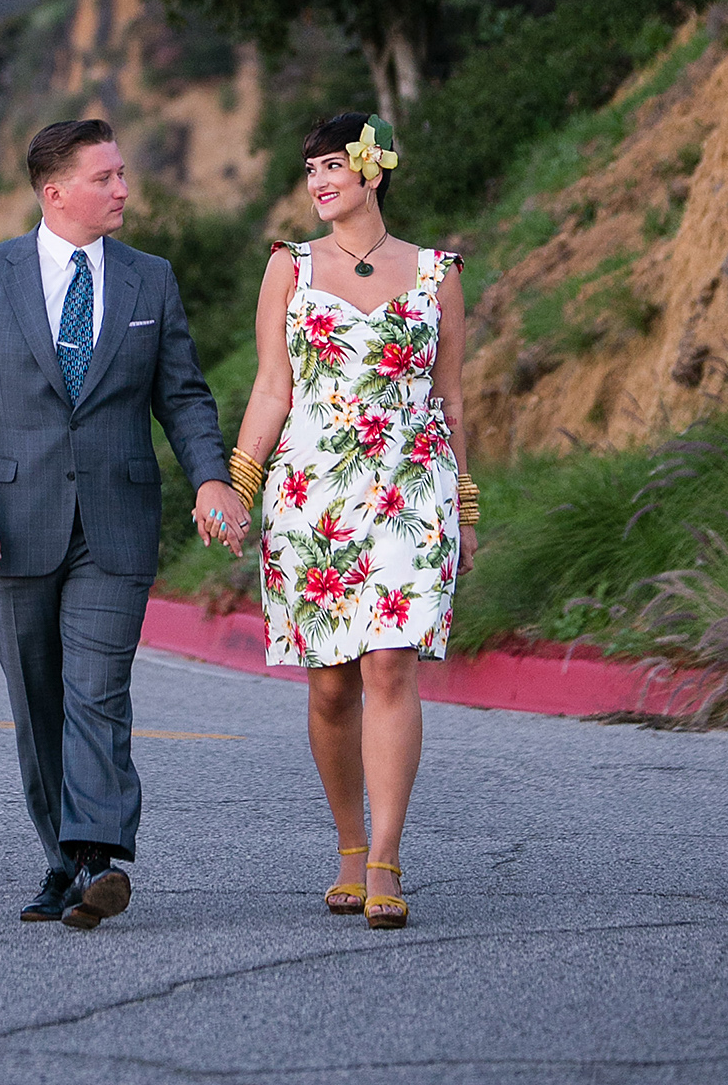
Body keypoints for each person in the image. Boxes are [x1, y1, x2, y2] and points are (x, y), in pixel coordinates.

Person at [0, 118, 248, 930]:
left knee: (97, 692)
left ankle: (99, 856)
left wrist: (212, 478)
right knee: (38, 702)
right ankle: (61, 864)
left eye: (121, 174)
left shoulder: (151, 280)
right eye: (105, 177)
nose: (123, 190)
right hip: (12, 521)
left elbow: (181, 394)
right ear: (55, 191)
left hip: (117, 519)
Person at [223, 113, 479, 932]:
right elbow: (271, 387)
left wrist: (466, 507)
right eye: (310, 170)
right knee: (332, 686)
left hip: (412, 487)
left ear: (374, 172)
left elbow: (452, 397)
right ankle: (345, 843)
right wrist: (237, 483)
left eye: (333, 165)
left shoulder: (438, 272)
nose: (319, 181)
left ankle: (386, 858)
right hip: (312, 495)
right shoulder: (289, 268)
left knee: (390, 669)